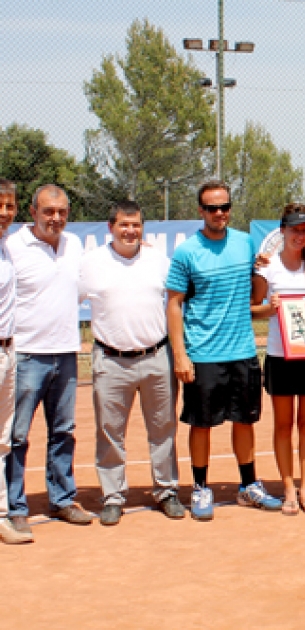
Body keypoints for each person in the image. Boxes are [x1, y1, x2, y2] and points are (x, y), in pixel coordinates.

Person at [166, 179, 281, 521]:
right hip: (202, 355)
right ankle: (200, 487)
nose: (219, 213)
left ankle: (248, 486)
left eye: (224, 207)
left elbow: (255, 297)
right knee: (201, 425)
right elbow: (174, 304)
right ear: (200, 211)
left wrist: (261, 268)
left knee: (244, 422)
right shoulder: (187, 251)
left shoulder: (245, 243)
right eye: (212, 208)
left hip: (242, 352)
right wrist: (180, 355)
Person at [79, 201, 183, 526]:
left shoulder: (158, 260)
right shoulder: (91, 263)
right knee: (110, 432)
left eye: (136, 225)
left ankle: (166, 491)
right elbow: (63, 299)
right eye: (124, 225)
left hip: (157, 358)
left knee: (163, 429)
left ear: (143, 228)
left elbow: (179, 301)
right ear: (110, 227)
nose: (130, 231)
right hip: (111, 360)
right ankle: (113, 496)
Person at [6, 184, 92, 532]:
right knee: (17, 436)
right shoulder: (12, 248)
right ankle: (14, 506)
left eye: (62, 213)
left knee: (63, 432)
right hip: (25, 356)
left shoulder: (74, 246)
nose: (56, 219)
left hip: (66, 353)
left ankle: (62, 500)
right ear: (32, 212)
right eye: (48, 212)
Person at [251, 205, 305, 517]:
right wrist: (270, 309)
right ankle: (287, 489)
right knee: (284, 426)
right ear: (282, 231)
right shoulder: (267, 269)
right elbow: (252, 308)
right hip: (279, 355)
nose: (300, 235)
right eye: (295, 229)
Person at [0, 180, 30, 544]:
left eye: (9, 206)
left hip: (9, 351)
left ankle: (3, 514)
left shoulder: (9, 246)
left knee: (3, 437)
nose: (4, 212)